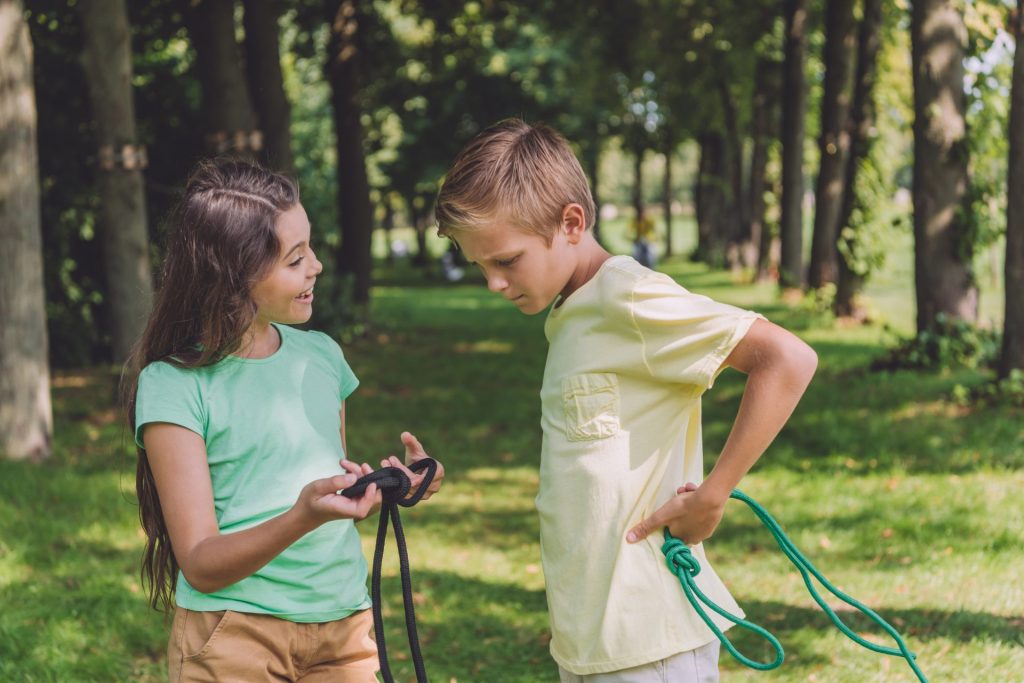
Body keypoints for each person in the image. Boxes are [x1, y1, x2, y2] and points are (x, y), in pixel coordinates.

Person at [434, 119, 816, 682]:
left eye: (506, 261)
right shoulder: (572, 309)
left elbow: (786, 358)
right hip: (594, 638)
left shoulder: (628, 297)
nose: (493, 282)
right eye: (480, 265)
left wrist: (714, 494)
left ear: (571, 223)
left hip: (650, 639)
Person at [123, 158, 444, 682]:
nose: (316, 266)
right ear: (235, 273)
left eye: (310, 249)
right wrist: (304, 515)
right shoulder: (174, 385)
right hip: (234, 633)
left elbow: (326, 484)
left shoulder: (322, 356)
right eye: (295, 259)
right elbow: (201, 563)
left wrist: (389, 487)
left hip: (343, 623)